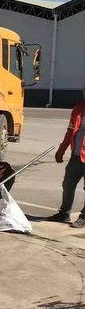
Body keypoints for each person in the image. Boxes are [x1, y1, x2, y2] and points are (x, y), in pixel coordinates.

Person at [48, 85, 85, 228]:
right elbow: (70, 131)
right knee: (68, 184)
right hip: (76, 156)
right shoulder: (78, 108)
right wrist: (61, 149)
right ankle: (64, 213)